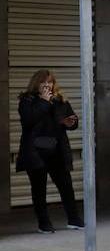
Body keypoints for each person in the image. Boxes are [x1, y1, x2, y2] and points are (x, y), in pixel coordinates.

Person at [17, 69, 82, 234]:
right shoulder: (27, 100)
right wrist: (44, 102)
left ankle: (74, 219)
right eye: (43, 82)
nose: (47, 85)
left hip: (57, 149)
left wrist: (71, 123)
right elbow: (29, 121)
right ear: (36, 84)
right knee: (39, 189)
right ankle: (44, 223)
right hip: (36, 151)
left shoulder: (61, 100)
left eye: (50, 82)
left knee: (66, 186)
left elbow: (73, 121)